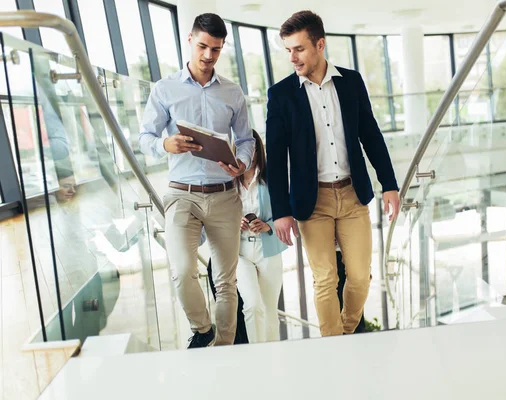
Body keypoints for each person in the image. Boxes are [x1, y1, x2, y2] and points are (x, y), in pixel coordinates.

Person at [265, 10, 400, 337]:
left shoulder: (351, 82)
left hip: (353, 195)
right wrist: (280, 212)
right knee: (325, 278)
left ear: (320, 44)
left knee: (359, 276)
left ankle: (343, 333)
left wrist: (389, 185)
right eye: (288, 51)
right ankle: (333, 346)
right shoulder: (281, 95)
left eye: (299, 49)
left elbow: (371, 135)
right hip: (314, 201)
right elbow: (275, 159)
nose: (292, 57)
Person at [139, 13, 255, 348]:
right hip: (182, 195)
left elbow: (246, 140)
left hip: (224, 196)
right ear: (189, 40)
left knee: (226, 281)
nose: (208, 55)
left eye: (215, 50)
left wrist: (242, 162)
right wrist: (166, 144)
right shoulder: (165, 89)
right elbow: (145, 137)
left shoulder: (233, 93)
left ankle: (223, 350)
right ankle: (203, 330)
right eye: (203, 46)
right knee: (182, 269)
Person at [237, 130, 286, 343]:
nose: (249, 152)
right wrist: (233, 222)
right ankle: (256, 356)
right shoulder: (227, 184)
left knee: (269, 310)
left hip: (268, 249)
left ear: (258, 150)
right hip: (239, 252)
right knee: (252, 305)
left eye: (252, 147)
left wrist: (267, 226)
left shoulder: (271, 179)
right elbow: (216, 216)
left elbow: (286, 212)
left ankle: (272, 359)